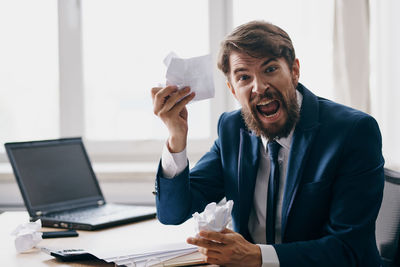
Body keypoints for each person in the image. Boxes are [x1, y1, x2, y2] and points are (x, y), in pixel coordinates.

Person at [150, 21, 384, 267]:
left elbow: (349, 250)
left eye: (270, 69)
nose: (259, 87)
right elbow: (173, 213)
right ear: (232, 89)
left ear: (294, 71)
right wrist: (177, 137)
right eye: (244, 77)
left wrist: (257, 256)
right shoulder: (232, 129)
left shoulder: (353, 132)